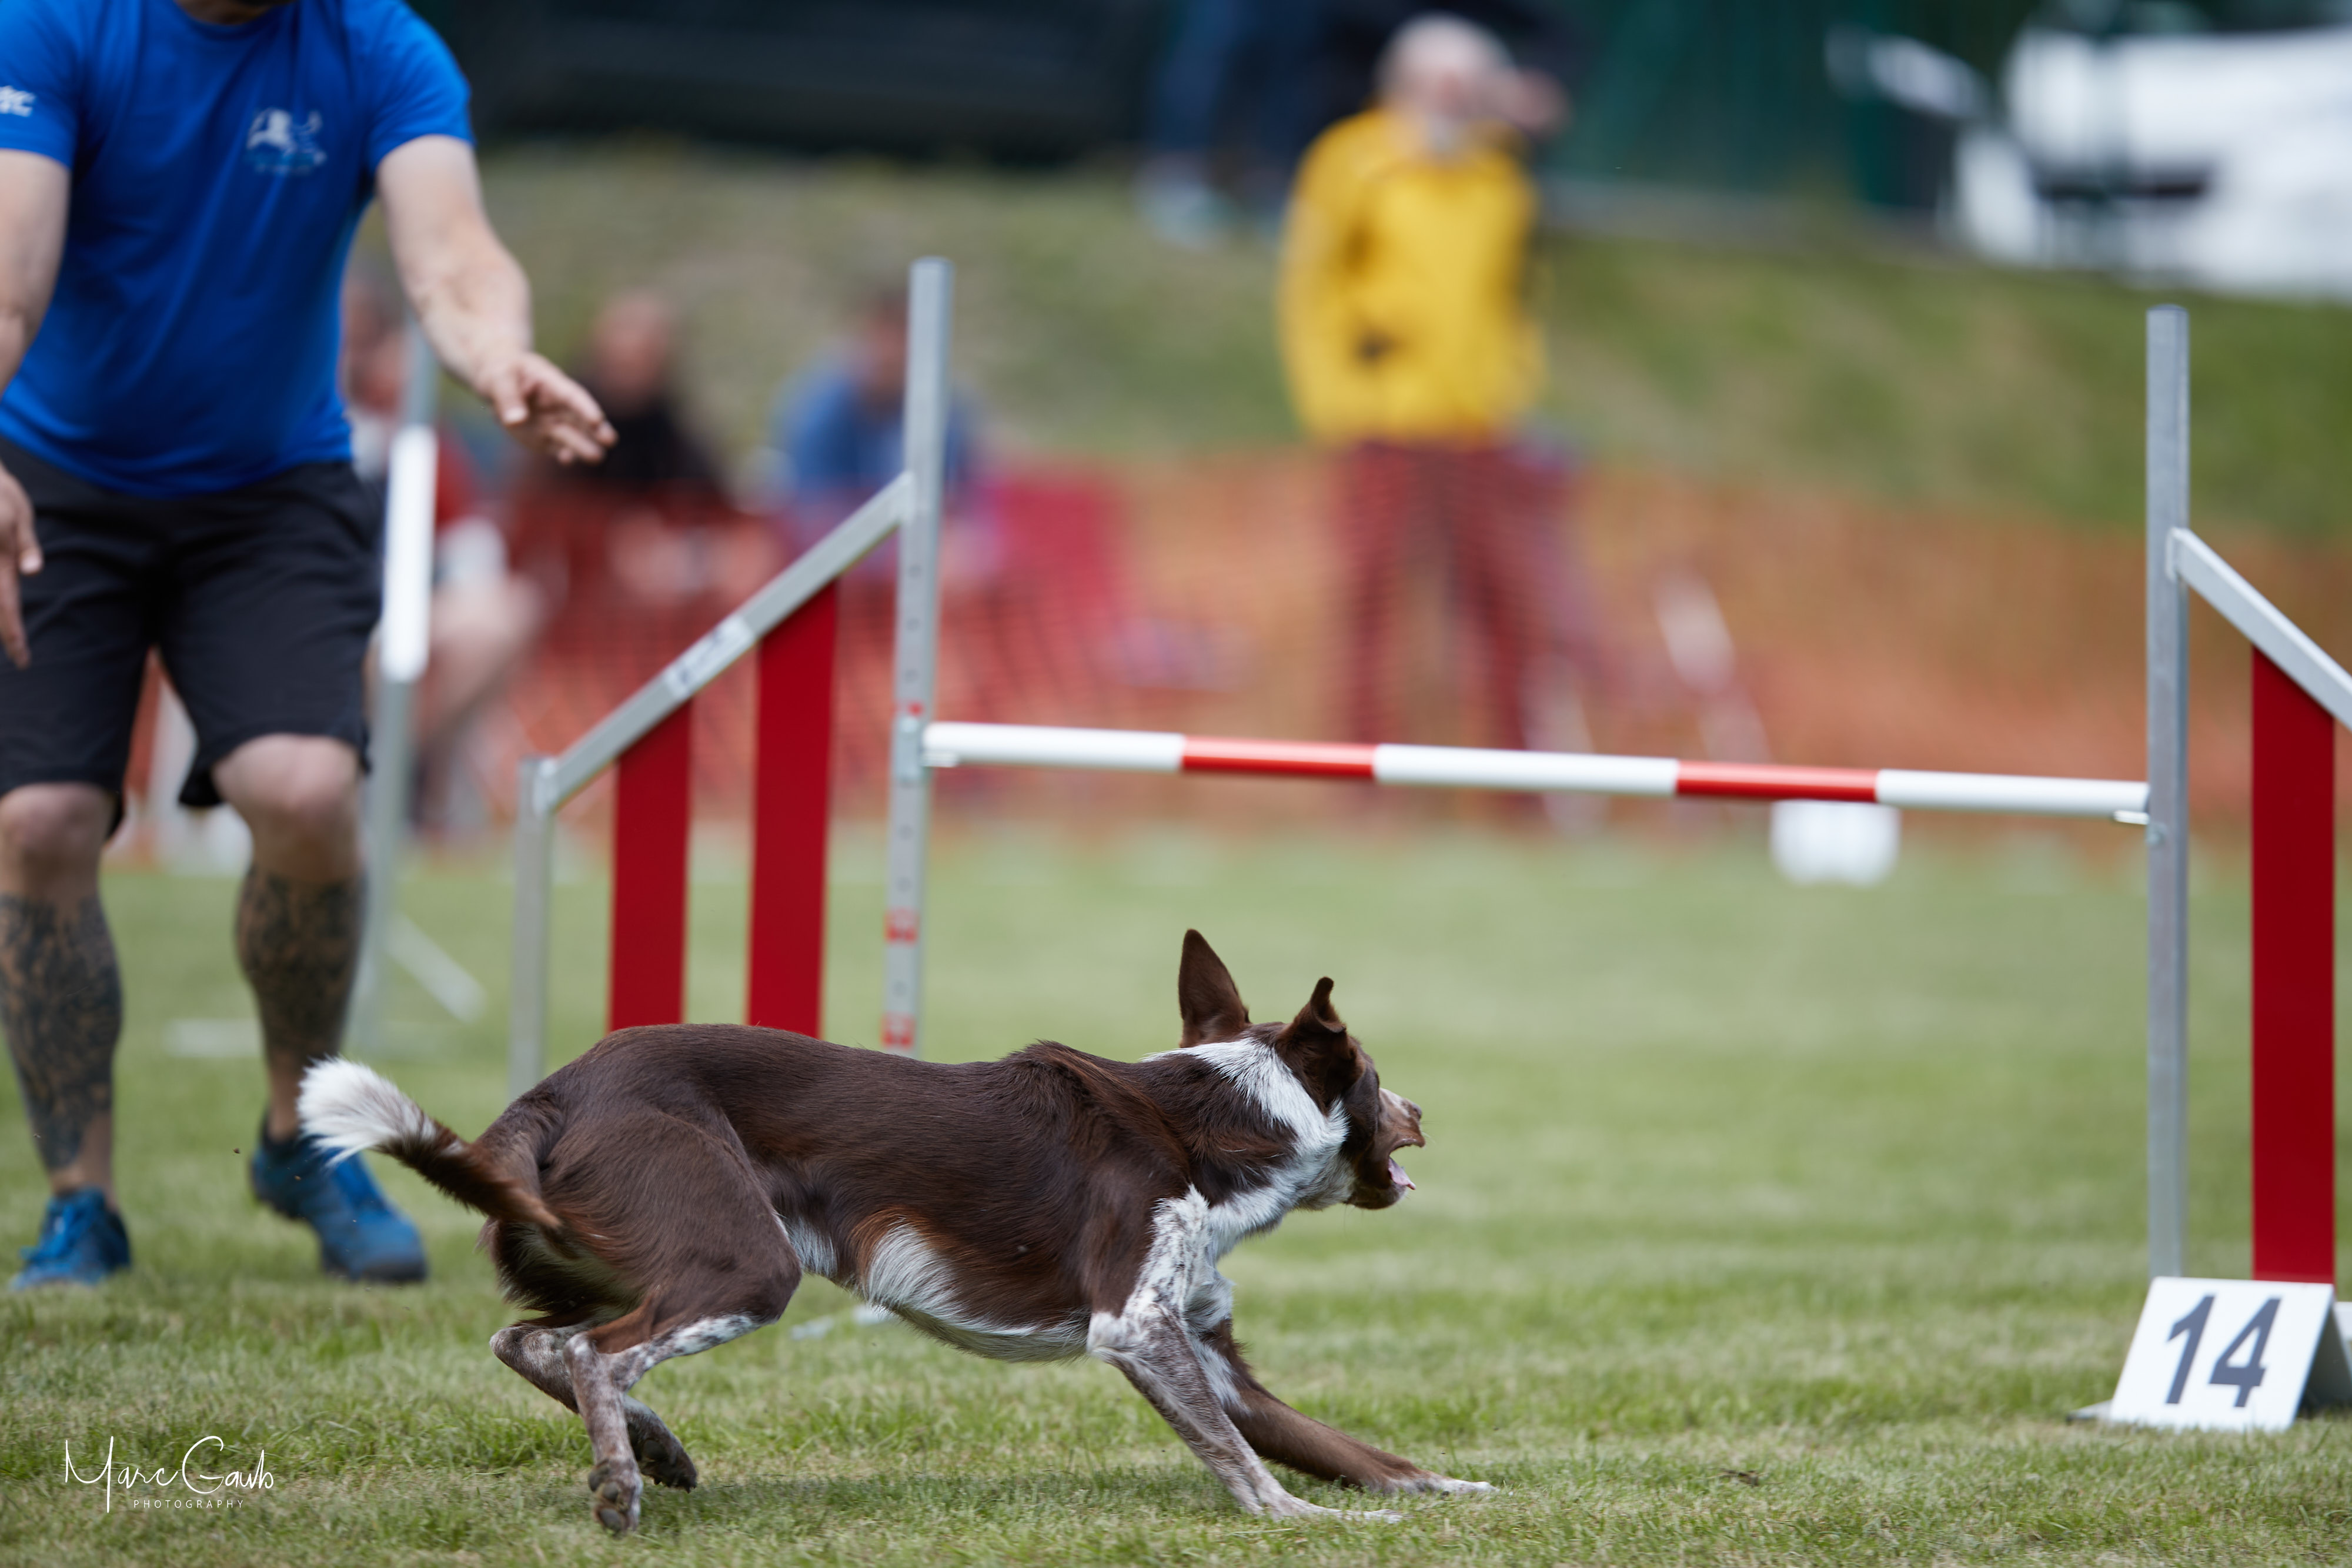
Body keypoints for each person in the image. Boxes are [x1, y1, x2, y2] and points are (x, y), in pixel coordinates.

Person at [0, 0, 614, 1290]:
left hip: (269, 493)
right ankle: (80, 1202)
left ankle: (299, 1139)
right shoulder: (54, 26)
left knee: (308, 792)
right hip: (53, 478)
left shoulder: (376, 44)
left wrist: (500, 357)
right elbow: (12, 275)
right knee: (41, 821)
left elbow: (453, 257)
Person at [1278, 14, 1592, 757]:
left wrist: (1513, 390)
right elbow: (1311, 291)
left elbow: (1513, 296)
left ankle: (1515, 775)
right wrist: (1335, 402)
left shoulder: (1500, 177)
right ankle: (1361, 768)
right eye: (1441, 86)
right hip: (1382, 422)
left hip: (1481, 424)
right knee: (1372, 603)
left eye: (1469, 89)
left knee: (1504, 604)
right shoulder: (1351, 161)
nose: (1454, 102)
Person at [341, 270, 546, 833]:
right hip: (314, 596)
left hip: (409, 595)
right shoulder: (289, 416)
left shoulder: (412, 424)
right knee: (368, 643)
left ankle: (408, 763)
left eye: (363, 337)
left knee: (502, 616)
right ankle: (383, 774)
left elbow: (468, 536)